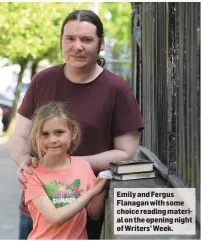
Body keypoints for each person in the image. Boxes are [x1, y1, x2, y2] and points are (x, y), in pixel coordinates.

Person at [10, 9, 144, 240]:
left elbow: (127, 152)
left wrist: (69, 164)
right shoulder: (42, 80)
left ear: (101, 43)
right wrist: (25, 161)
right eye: (70, 38)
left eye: (86, 39)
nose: (77, 46)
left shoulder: (116, 89)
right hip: (37, 210)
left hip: (83, 211)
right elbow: (20, 137)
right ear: (61, 41)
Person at [22, 102, 108, 239]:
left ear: (73, 133)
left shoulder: (83, 166)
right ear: (37, 137)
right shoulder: (31, 173)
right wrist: (92, 192)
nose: (52, 140)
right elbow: (55, 218)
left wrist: (101, 190)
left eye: (59, 132)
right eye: (45, 134)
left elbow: (94, 214)